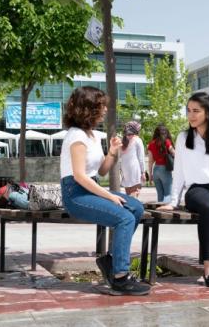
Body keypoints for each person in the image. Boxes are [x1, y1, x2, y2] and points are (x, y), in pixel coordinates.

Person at [59, 86, 150, 296]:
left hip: (90, 188)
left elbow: (100, 170)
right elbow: (79, 176)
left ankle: (111, 261)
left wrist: (112, 152)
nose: (105, 109)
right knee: (125, 218)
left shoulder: (91, 135)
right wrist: (110, 196)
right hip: (76, 194)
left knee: (135, 207)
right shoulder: (76, 137)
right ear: (88, 109)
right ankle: (120, 277)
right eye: (102, 106)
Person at [157, 92, 209, 289]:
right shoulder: (184, 137)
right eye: (188, 111)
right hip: (197, 190)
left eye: (196, 111)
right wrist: (173, 201)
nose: (191, 115)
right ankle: (208, 265)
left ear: (208, 113)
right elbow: (178, 173)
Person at [147, 125, 175, 202]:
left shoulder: (151, 144)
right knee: (167, 194)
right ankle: (166, 212)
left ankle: (159, 211)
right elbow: (174, 153)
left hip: (156, 170)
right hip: (165, 169)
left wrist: (150, 175)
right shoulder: (167, 142)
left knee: (160, 194)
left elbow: (150, 161)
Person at [120, 121, 145, 198]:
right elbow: (141, 158)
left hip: (125, 169)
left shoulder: (124, 141)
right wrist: (143, 172)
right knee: (134, 195)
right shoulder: (137, 140)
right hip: (135, 169)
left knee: (128, 195)